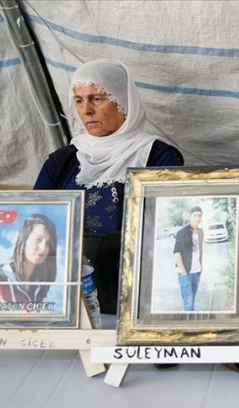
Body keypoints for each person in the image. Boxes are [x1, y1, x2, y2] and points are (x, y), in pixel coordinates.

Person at [33, 59, 184, 314]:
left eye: (97, 99)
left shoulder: (158, 157)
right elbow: (35, 220)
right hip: (68, 295)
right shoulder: (63, 161)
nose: (86, 110)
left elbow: (165, 228)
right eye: (79, 100)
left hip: (132, 295)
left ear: (124, 101)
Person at [0, 214, 57, 304]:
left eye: (48, 243)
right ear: (24, 240)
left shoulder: (40, 283)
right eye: (38, 240)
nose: (43, 248)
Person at [173, 206, 204, 311]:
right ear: (190, 217)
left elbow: (200, 250)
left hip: (197, 272)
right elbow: (177, 252)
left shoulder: (201, 232)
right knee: (188, 303)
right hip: (185, 273)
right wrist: (183, 272)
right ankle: (188, 321)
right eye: (195, 215)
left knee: (192, 300)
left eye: (199, 215)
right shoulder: (182, 232)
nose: (197, 218)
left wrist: (201, 265)